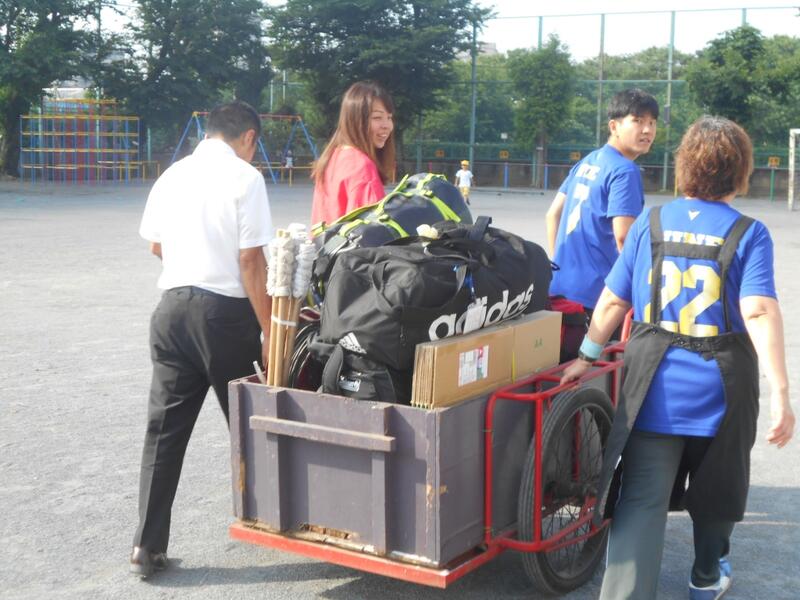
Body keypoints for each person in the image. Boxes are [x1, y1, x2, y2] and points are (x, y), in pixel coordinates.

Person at [561, 116, 795, 599]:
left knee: (640, 500)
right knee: (718, 493)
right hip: (721, 388)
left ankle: (626, 593)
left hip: (654, 386)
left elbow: (612, 300)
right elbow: (757, 310)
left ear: (684, 165)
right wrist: (781, 392)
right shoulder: (748, 232)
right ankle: (706, 577)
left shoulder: (651, 224)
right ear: (741, 171)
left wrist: (586, 355)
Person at [131, 100, 274, 577]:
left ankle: (146, 546)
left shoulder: (172, 175)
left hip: (171, 311)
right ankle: (277, 518)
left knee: (164, 434)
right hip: (224, 316)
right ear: (249, 137)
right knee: (253, 422)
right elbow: (251, 260)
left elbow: (155, 245)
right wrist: (270, 330)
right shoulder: (246, 178)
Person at [546, 88, 658, 315]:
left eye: (652, 122)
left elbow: (552, 215)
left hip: (559, 289)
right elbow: (623, 237)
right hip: (596, 296)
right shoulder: (624, 171)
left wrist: (559, 265)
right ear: (614, 126)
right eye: (637, 121)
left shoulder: (588, 161)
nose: (647, 130)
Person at [310, 80, 395, 226]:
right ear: (356, 121)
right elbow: (372, 229)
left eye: (389, 117)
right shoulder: (362, 166)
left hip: (326, 240)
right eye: (377, 117)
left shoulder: (333, 156)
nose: (386, 125)